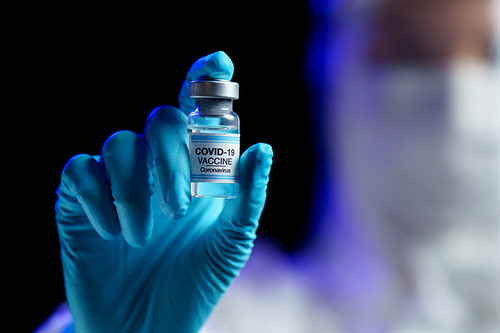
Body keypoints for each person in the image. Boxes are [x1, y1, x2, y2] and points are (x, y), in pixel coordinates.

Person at [39, 0, 499, 332]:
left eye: (491, 57)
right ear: (336, 77)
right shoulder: (230, 308)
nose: (457, 100)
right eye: (413, 53)